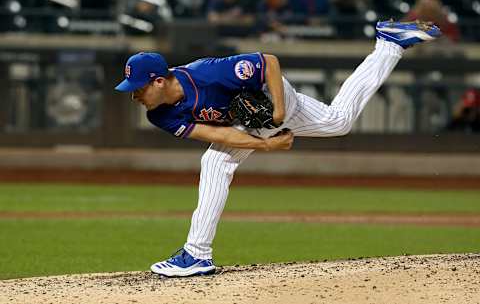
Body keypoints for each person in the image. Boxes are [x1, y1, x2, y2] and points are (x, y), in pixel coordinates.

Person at [115, 20, 441, 277]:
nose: (134, 95)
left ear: (159, 81)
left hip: (273, 96)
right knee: (338, 121)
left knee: (215, 164)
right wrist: (268, 144)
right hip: (249, 120)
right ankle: (389, 44)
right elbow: (222, 136)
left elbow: (268, 62)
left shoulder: (206, 73)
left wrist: (279, 113)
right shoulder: (160, 114)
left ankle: (196, 254)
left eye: (138, 87)